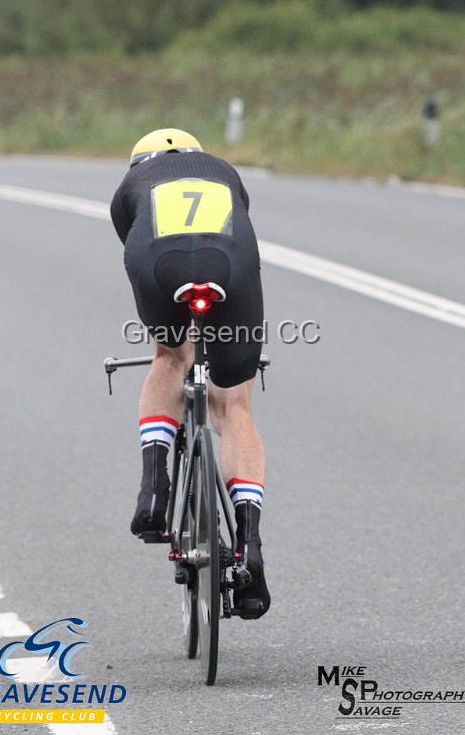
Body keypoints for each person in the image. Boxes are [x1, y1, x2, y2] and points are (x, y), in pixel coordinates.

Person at [110, 128, 270, 619]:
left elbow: (136, 236)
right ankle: (249, 542)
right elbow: (237, 221)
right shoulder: (225, 172)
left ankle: (154, 486)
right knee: (233, 401)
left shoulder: (131, 187)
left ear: (141, 164)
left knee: (170, 355)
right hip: (229, 265)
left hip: (161, 264)